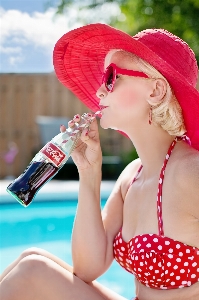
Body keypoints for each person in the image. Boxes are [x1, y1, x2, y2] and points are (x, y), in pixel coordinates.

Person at [0, 24, 199, 300]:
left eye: (111, 78)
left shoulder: (192, 172)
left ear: (155, 91)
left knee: (32, 271)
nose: (99, 91)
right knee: (30, 257)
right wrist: (89, 173)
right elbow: (87, 268)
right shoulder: (131, 178)